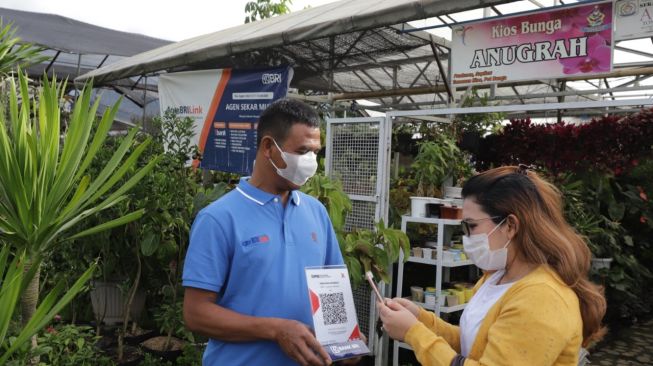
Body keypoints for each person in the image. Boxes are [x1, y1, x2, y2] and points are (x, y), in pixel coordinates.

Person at [183, 98, 357, 366]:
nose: (310, 162)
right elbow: (196, 314)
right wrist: (275, 330)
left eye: (315, 152)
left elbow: (332, 293)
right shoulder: (218, 219)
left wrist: (345, 341)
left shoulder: (317, 213)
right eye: (301, 151)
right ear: (268, 147)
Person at [379, 165, 606, 366]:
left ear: (510, 225)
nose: (466, 236)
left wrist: (414, 333)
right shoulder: (496, 277)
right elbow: (472, 344)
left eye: (472, 226)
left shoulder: (541, 297)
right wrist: (420, 318)